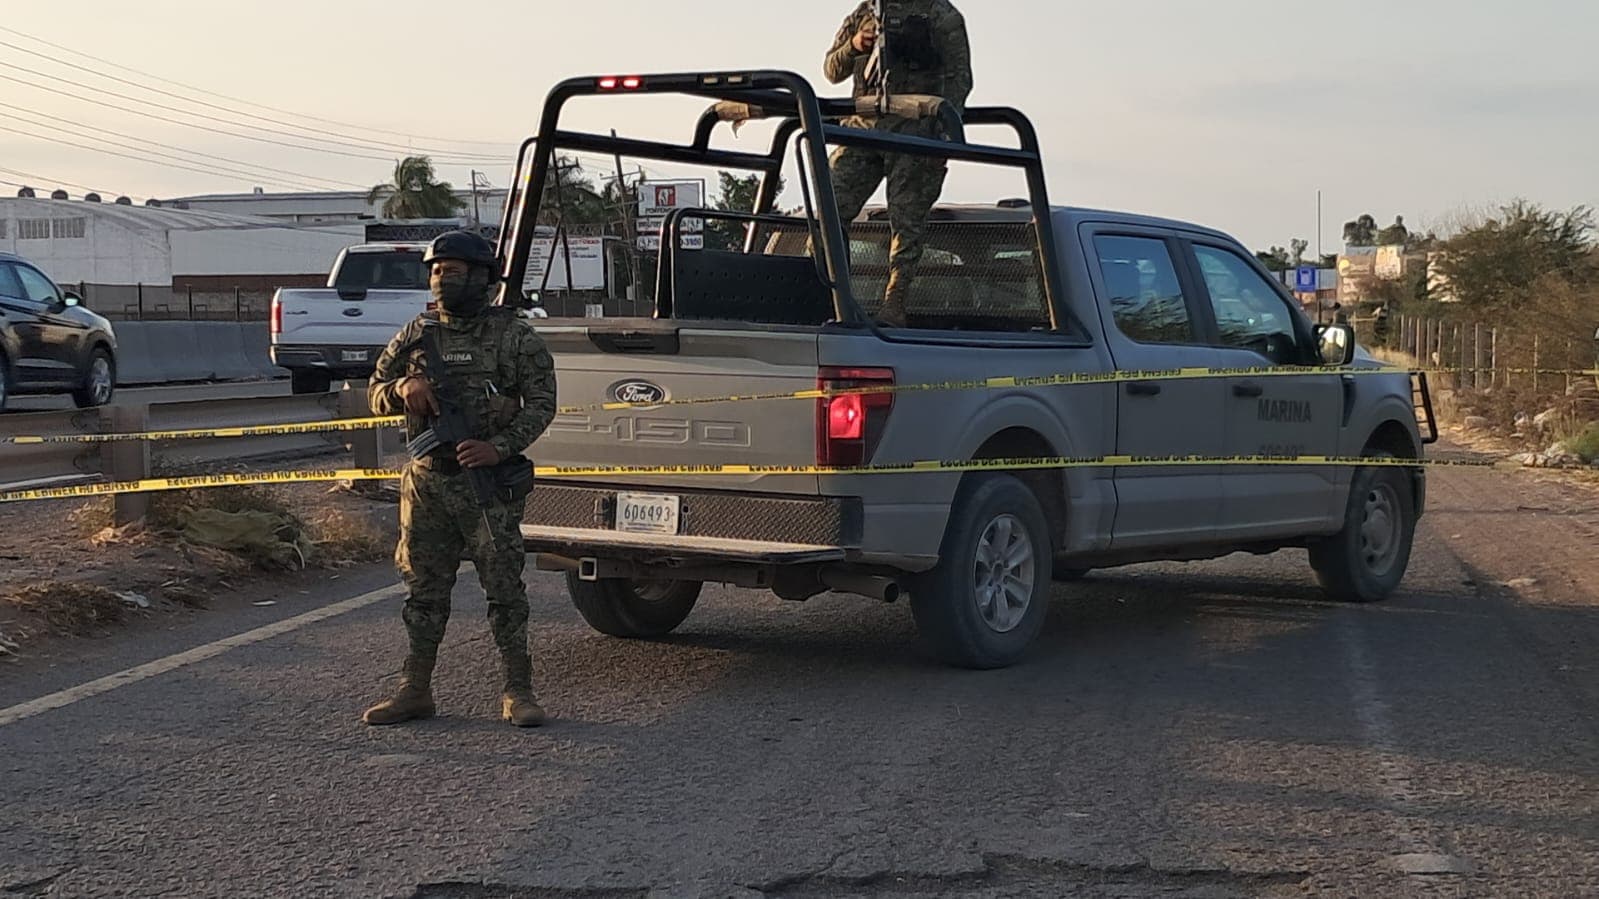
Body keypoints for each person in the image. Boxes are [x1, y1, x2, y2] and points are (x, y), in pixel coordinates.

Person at [362, 230, 558, 728]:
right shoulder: (416, 333)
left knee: (504, 590)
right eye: (435, 271)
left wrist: (499, 447)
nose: (440, 279)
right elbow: (375, 390)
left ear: (481, 277)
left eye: (451, 271)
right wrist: (404, 387)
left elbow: (542, 404)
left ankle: (518, 691)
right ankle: (415, 689)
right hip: (427, 484)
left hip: (485, 486)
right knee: (423, 591)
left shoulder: (514, 337)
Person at [823, 0, 972, 328]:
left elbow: (959, 80)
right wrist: (854, 46)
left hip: (915, 132)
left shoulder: (940, 14)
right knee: (827, 212)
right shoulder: (866, 12)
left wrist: (945, 134)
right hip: (863, 128)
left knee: (907, 224)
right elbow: (832, 70)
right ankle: (831, 298)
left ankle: (894, 304)